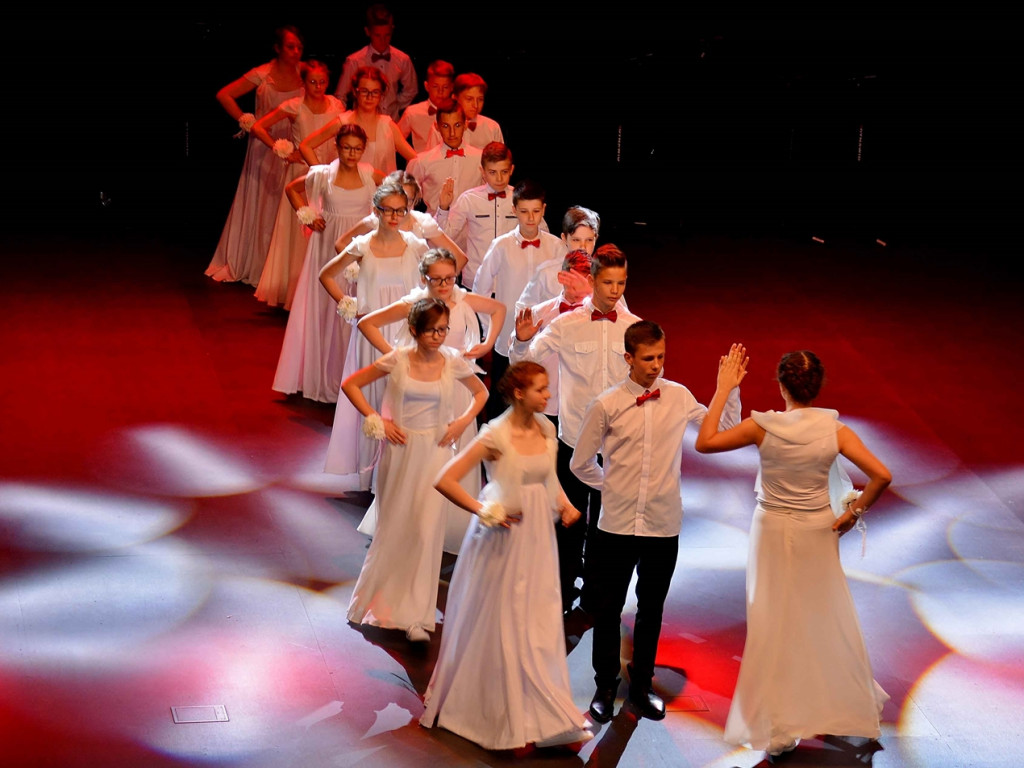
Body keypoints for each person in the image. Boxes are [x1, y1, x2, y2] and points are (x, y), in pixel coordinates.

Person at [695, 350, 891, 757]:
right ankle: (837, 703)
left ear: (781, 386)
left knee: (773, 624)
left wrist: (723, 388)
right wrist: (854, 513)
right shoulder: (834, 431)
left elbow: (705, 441)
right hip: (817, 531)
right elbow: (882, 475)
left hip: (770, 532)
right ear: (817, 387)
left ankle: (779, 724)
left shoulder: (762, 428)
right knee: (821, 616)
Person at [571, 323, 744, 723]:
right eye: (648, 359)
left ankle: (643, 682)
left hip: (662, 525)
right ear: (628, 358)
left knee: (652, 608)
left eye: (661, 357)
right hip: (614, 526)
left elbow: (724, 430)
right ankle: (605, 685)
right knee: (609, 609)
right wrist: (611, 487)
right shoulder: (607, 404)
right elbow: (580, 463)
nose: (656, 366)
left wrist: (727, 388)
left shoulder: (679, 396)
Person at [422, 362, 591, 751]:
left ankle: (542, 710)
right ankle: (499, 713)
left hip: (537, 538)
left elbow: (547, 478)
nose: (548, 396)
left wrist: (564, 505)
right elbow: (444, 478)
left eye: (548, 389)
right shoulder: (495, 435)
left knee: (534, 618)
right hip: (503, 537)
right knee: (504, 618)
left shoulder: (547, 428)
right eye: (541, 390)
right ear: (519, 393)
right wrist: (484, 510)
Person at [343, 298, 487, 642]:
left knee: (427, 531)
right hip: (401, 452)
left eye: (443, 329)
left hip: (436, 453)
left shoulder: (453, 361)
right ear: (414, 331)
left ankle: (418, 618)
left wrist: (462, 422)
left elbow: (480, 393)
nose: (438, 336)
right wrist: (377, 419)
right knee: (397, 526)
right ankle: (384, 601)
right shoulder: (397, 360)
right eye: (431, 330)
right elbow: (351, 385)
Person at [511, 245, 640, 614]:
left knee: (609, 527)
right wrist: (520, 340)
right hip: (574, 439)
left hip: (617, 443)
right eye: (608, 282)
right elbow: (525, 360)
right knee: (569, 523)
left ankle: (598, 599)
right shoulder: (564, 324)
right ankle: (561, 594)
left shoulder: (633, 328)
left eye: (622, 283)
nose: (615, 290)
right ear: (593, 281)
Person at [354, 249, 506, 553]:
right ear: (424, 278)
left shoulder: (463, 300)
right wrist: (396, 357)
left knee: (453, 459)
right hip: (419, 389)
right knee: (415, 463)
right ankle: (407, 526)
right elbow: (366, 323)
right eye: (436, 279)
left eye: (449, 278)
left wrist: (487, 343)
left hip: (458, 389)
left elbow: (499, 309)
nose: (444, 284)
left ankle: (447, 529)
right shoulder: (414, 304)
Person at [323, 183, 430, 487]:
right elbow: (326, 275)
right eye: (389, 210)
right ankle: (375, 476)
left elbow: (442, 270)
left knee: (403, 398)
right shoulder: (362, 245)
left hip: (406, 332)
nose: (395, 216)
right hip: (372, 333)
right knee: (376, 396)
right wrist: (349, 304)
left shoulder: (414, 244)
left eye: (401, 210)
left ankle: (401, 473)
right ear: (376, 211)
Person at [271, 125, 384, 403]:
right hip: (326, 246)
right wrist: (307, 215)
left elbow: (396, 192)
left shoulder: (370, 175)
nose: (351, 153)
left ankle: (349, 376)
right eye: (346, 147)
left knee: (355, 306)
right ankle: (318, 375)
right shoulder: (322, 174)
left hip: (356, 247)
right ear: (337, 146)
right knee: (325, 307)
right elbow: (291, 189)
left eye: (357, 148)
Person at [206, 26, 305, 286]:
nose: (296, 52)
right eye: (290, 46)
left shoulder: (305, 73)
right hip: (266, 145)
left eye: (299, 47)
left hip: (295, 145)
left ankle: (282, 270)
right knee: (262, 203)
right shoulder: (262, 74)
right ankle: (257, 263)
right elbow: (224, 95)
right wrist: (246, 121)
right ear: (278, 48)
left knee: (287, 202)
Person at [252, 60, 346, 309]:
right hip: (301, 173)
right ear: (303, 83)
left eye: (323, 82)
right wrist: (281, 150)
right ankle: (293, 293)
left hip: (328, 172)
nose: (318, 86)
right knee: (298, 235)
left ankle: (322, 293)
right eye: (312, 82)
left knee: (324, 229)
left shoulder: (336, 106)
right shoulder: (294, 106)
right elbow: (259, 126)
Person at [475, 180, 564, 421]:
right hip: (508, 337)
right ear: (514, 210)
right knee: (502, 400)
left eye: (536, 211)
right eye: (524, 212)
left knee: (545, 399)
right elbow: (480, 291)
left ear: (544, 210)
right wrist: (489, 331)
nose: (530, 218)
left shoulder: (558, 247)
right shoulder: (501, 246)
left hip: (546, 339)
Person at [320, 170, 468, 282]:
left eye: (408, 201)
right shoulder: (375, 220)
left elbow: (460, 258)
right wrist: (359, 269)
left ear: (416, 200)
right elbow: (341, 243)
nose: (401, 207)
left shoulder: (422, 222)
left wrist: (440, 285)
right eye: (396, 200)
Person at [437, 142, 547, 290]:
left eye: (504, 172)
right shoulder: (469, 199)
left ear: (512, 170)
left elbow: (543, 235)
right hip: (475, 281)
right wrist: (443, 208)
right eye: (493, 172)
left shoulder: (522, 199)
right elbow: (446, 236)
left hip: (513, 281)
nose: (499, 178)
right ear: (482, 171)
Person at [301, 67, 416, 174]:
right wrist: (323, 177)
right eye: (364, 91)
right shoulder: (342, 123)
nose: (369, 97)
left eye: (375, 92)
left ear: (381, 95)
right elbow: (306, 146)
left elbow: (415, 160)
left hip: (380, 193)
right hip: (347, 192)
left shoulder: (388, 126)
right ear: (356, 92)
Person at [335, 3, 417, 121]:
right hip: (361, 123)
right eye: (377, 35)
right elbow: (340, 96)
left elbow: (411, 90)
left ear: (392, 29)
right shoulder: (354, 61)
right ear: (368, 32)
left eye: (387, 35)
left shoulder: (403, 59)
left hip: (391, 121)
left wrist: (395, 105)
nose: (383, 41)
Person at [517, 205, 601, 312]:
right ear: (564, 238)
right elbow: (523, 307)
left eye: (589, 240)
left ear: (596, 239)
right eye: (576, 240)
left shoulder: (603, 274)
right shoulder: (546, 272)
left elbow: (620, 314)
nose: (583, 247)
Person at [405, 101, 483, 215]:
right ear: (437, 127)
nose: (452, 133)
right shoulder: (422, 161)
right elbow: (405, 197)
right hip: (434, 227)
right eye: (446, 126)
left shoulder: (480, 159)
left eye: (457, 125)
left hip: (470, 228)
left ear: (465, 125)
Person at [425, 73, 503, 150]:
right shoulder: (442, 127)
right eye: (469, 99)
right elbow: (430, 159)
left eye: (480, 99)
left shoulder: (492, 127)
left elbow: (502, 159)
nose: (475, 105)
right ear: (455, 98)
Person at [397, 60, 455, 152]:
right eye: (435, 86)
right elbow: (395, 142)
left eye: (445, 87)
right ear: (427, 86)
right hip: (422, 164)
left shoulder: (459, 112)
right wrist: (414, 158)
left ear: (452, 87)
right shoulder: (413, 112)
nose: (440, 92)